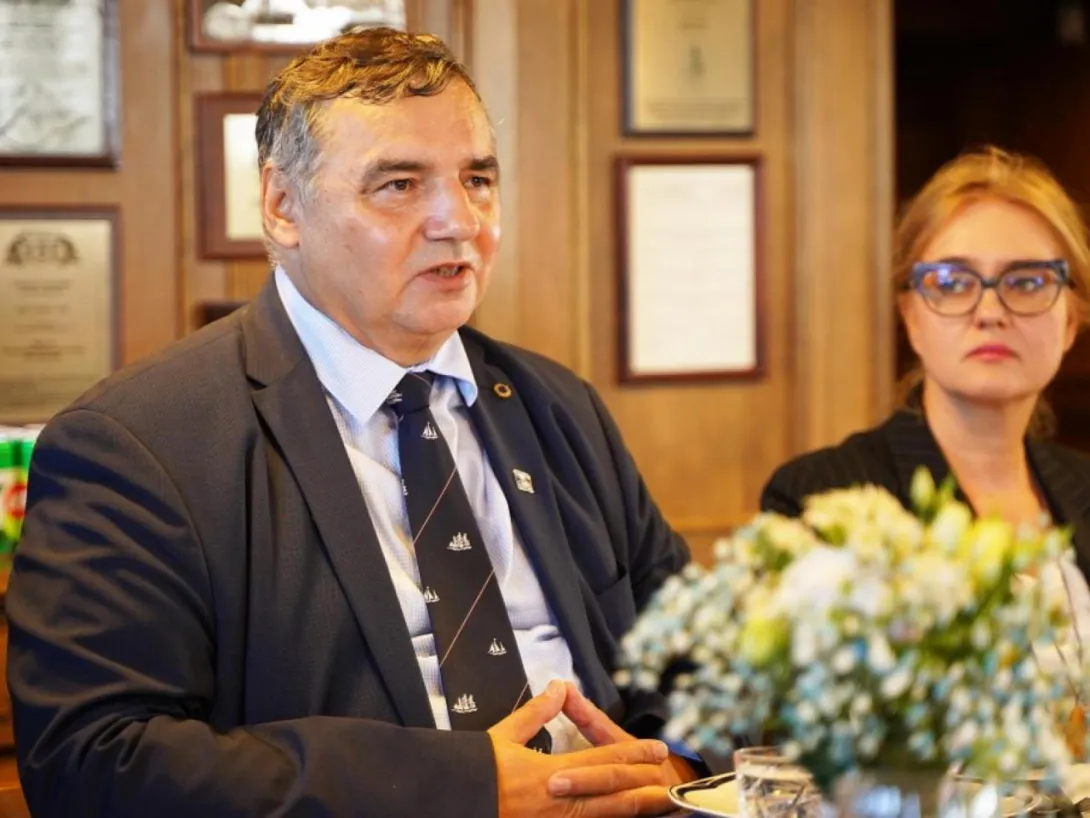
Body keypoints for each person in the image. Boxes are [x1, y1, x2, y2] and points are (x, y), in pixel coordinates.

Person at [6, 27, 701, 817]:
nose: (459, 221)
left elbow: (708, 661)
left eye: (477, 178)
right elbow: (94, 762)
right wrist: (460, 790)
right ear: (282, 206)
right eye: (399, 184)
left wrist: (675, 768)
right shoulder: (137, 444)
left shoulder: (559, 406)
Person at [760, 145, 1090, 680]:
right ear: (911, 315)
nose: (989, 312)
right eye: (953, 283)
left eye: (1027, 281)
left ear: (1071, 319)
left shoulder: (1082, 484)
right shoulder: (822, 498)